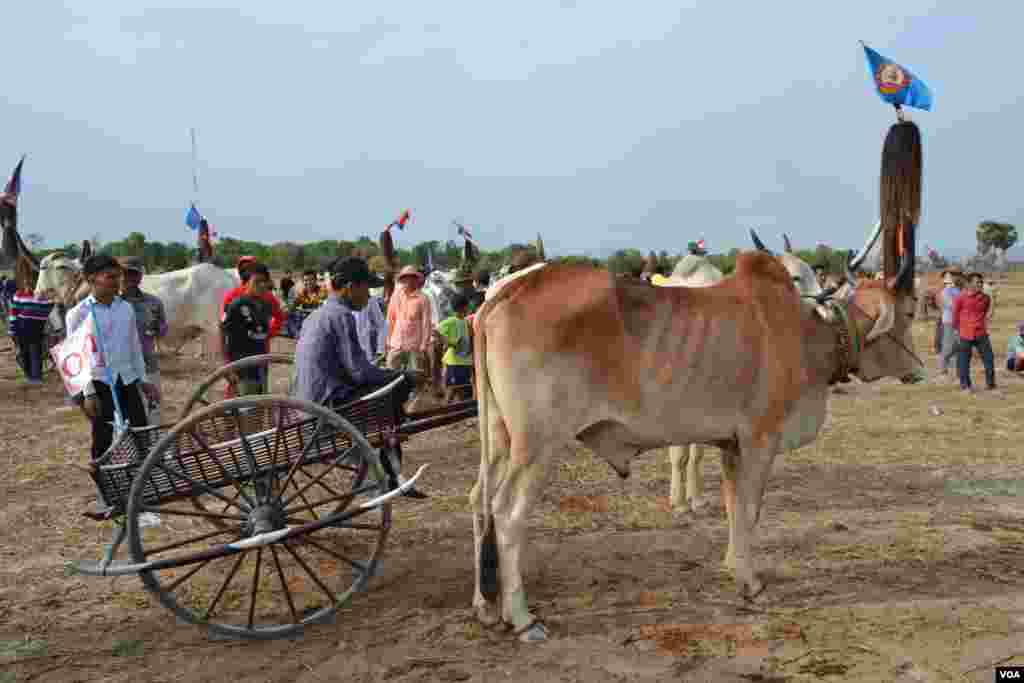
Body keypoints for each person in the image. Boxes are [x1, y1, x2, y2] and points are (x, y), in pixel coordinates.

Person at [292, 256, 427, 498]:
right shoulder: (341, 316)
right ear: (350, 287)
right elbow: (359, 373)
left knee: (390, 389)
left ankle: (390, 460)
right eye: (367, 288)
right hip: (328, 406)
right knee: (398, 386)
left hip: (307, 402)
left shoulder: (317, 315)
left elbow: (350, 368)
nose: (369, 295)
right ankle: (386, 461)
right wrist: (403, 375)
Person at [65, 255, 157, 461]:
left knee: (141, 433)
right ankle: (104, 484)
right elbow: (75, 357)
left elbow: (134, 347)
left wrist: (144, 380)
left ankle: (144, 478)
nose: (117, 281)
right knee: (102, 437)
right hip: (99, 384)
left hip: (126, 379)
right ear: (90, 279)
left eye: (118, 276)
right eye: (110, 277)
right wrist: (88, 394)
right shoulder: (78, 314)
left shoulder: (125, 308)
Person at [118, 256, 168, 422]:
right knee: (124, 413)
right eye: (126, 274)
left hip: (148, 364)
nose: (130, 278)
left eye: (134, 274)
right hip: (121, 368)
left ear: (140, 276)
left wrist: (157, 329)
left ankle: (155, 444)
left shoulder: (153, 302)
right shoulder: (112, 304)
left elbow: (162, 330)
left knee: (153, 407)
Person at [220, 262, 273, 395]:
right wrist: (227, 367)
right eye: (257, 281)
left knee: (259, 410)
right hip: (241, 370)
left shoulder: (264, 304)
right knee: (247, 411)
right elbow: (221, 332)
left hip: (260, 368)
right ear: (247, 282)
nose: (261, 285)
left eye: (264, 281)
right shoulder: (236, 305)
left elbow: (262, 334)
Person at [220, 256, 285, 342]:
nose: (244, 271)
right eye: (242, 268)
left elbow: (279, 317)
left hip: (260, 349)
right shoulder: (232, 296)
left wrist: (268, 334)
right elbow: (223, 325)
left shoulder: (268, 297)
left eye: (249, 267)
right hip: (237, 350)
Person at [10, 258, 53, 385]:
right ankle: (30, 376)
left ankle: (36, 377)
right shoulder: (18, 294)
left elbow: (49, 307)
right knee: (24, 353)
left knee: (35, 351)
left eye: (30, 280)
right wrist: (12, 330)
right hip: (22, 327)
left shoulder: (43, 295)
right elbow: (14, 313)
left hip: (36, 327)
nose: (27, 282)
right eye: (24, 280)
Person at [952, 272, 996, 392]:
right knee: (963, 362)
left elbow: (986, 312)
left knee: (989, 359)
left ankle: (990, 385)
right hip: (965, 334)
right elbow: (955, 315)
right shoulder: (960, 298)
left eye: (981, 282)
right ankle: (965, 386)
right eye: (977, 282)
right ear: (969, 283)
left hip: (981, 333)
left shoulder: (985, 298)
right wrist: (956, 331)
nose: (980, 284)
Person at [385, 265, 432, 377]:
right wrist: (387, 340)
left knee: (416, 376)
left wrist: (423, 345)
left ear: (416, 280)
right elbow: (390, 319)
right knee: (390, 373)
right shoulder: (396, 296)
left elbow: (426, 324)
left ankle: (416, 394)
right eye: (406, 278)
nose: (409, 281)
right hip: (397, 343)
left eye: (411, 278)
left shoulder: (423, 298)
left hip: (415, 346)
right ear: (402, 280)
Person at [436, 294, 473, 402]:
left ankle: (456, 412)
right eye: (467, 306)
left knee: (461, 388)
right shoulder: (451, 321)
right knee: (452, 389)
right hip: (454, 362)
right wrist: (451, 343)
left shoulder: (466, 322)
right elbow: (435, 331)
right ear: (464, 307)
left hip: (465, 361)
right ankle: (445, 410)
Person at [352, 284, 388, 365]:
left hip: (366, 355)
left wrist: (380, 350)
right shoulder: (338, 305)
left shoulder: (370, 300)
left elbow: (382, 325)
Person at [937, 270, 963, 377]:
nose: (952, 278)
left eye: (953, 276)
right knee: (948, 345)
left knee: (958, 345)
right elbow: (951, 305)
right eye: (950, 276)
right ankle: (943, 368)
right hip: (949, 320)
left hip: (959, 320)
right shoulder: (945, 292)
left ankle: (957, 369)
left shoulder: (957, 290)